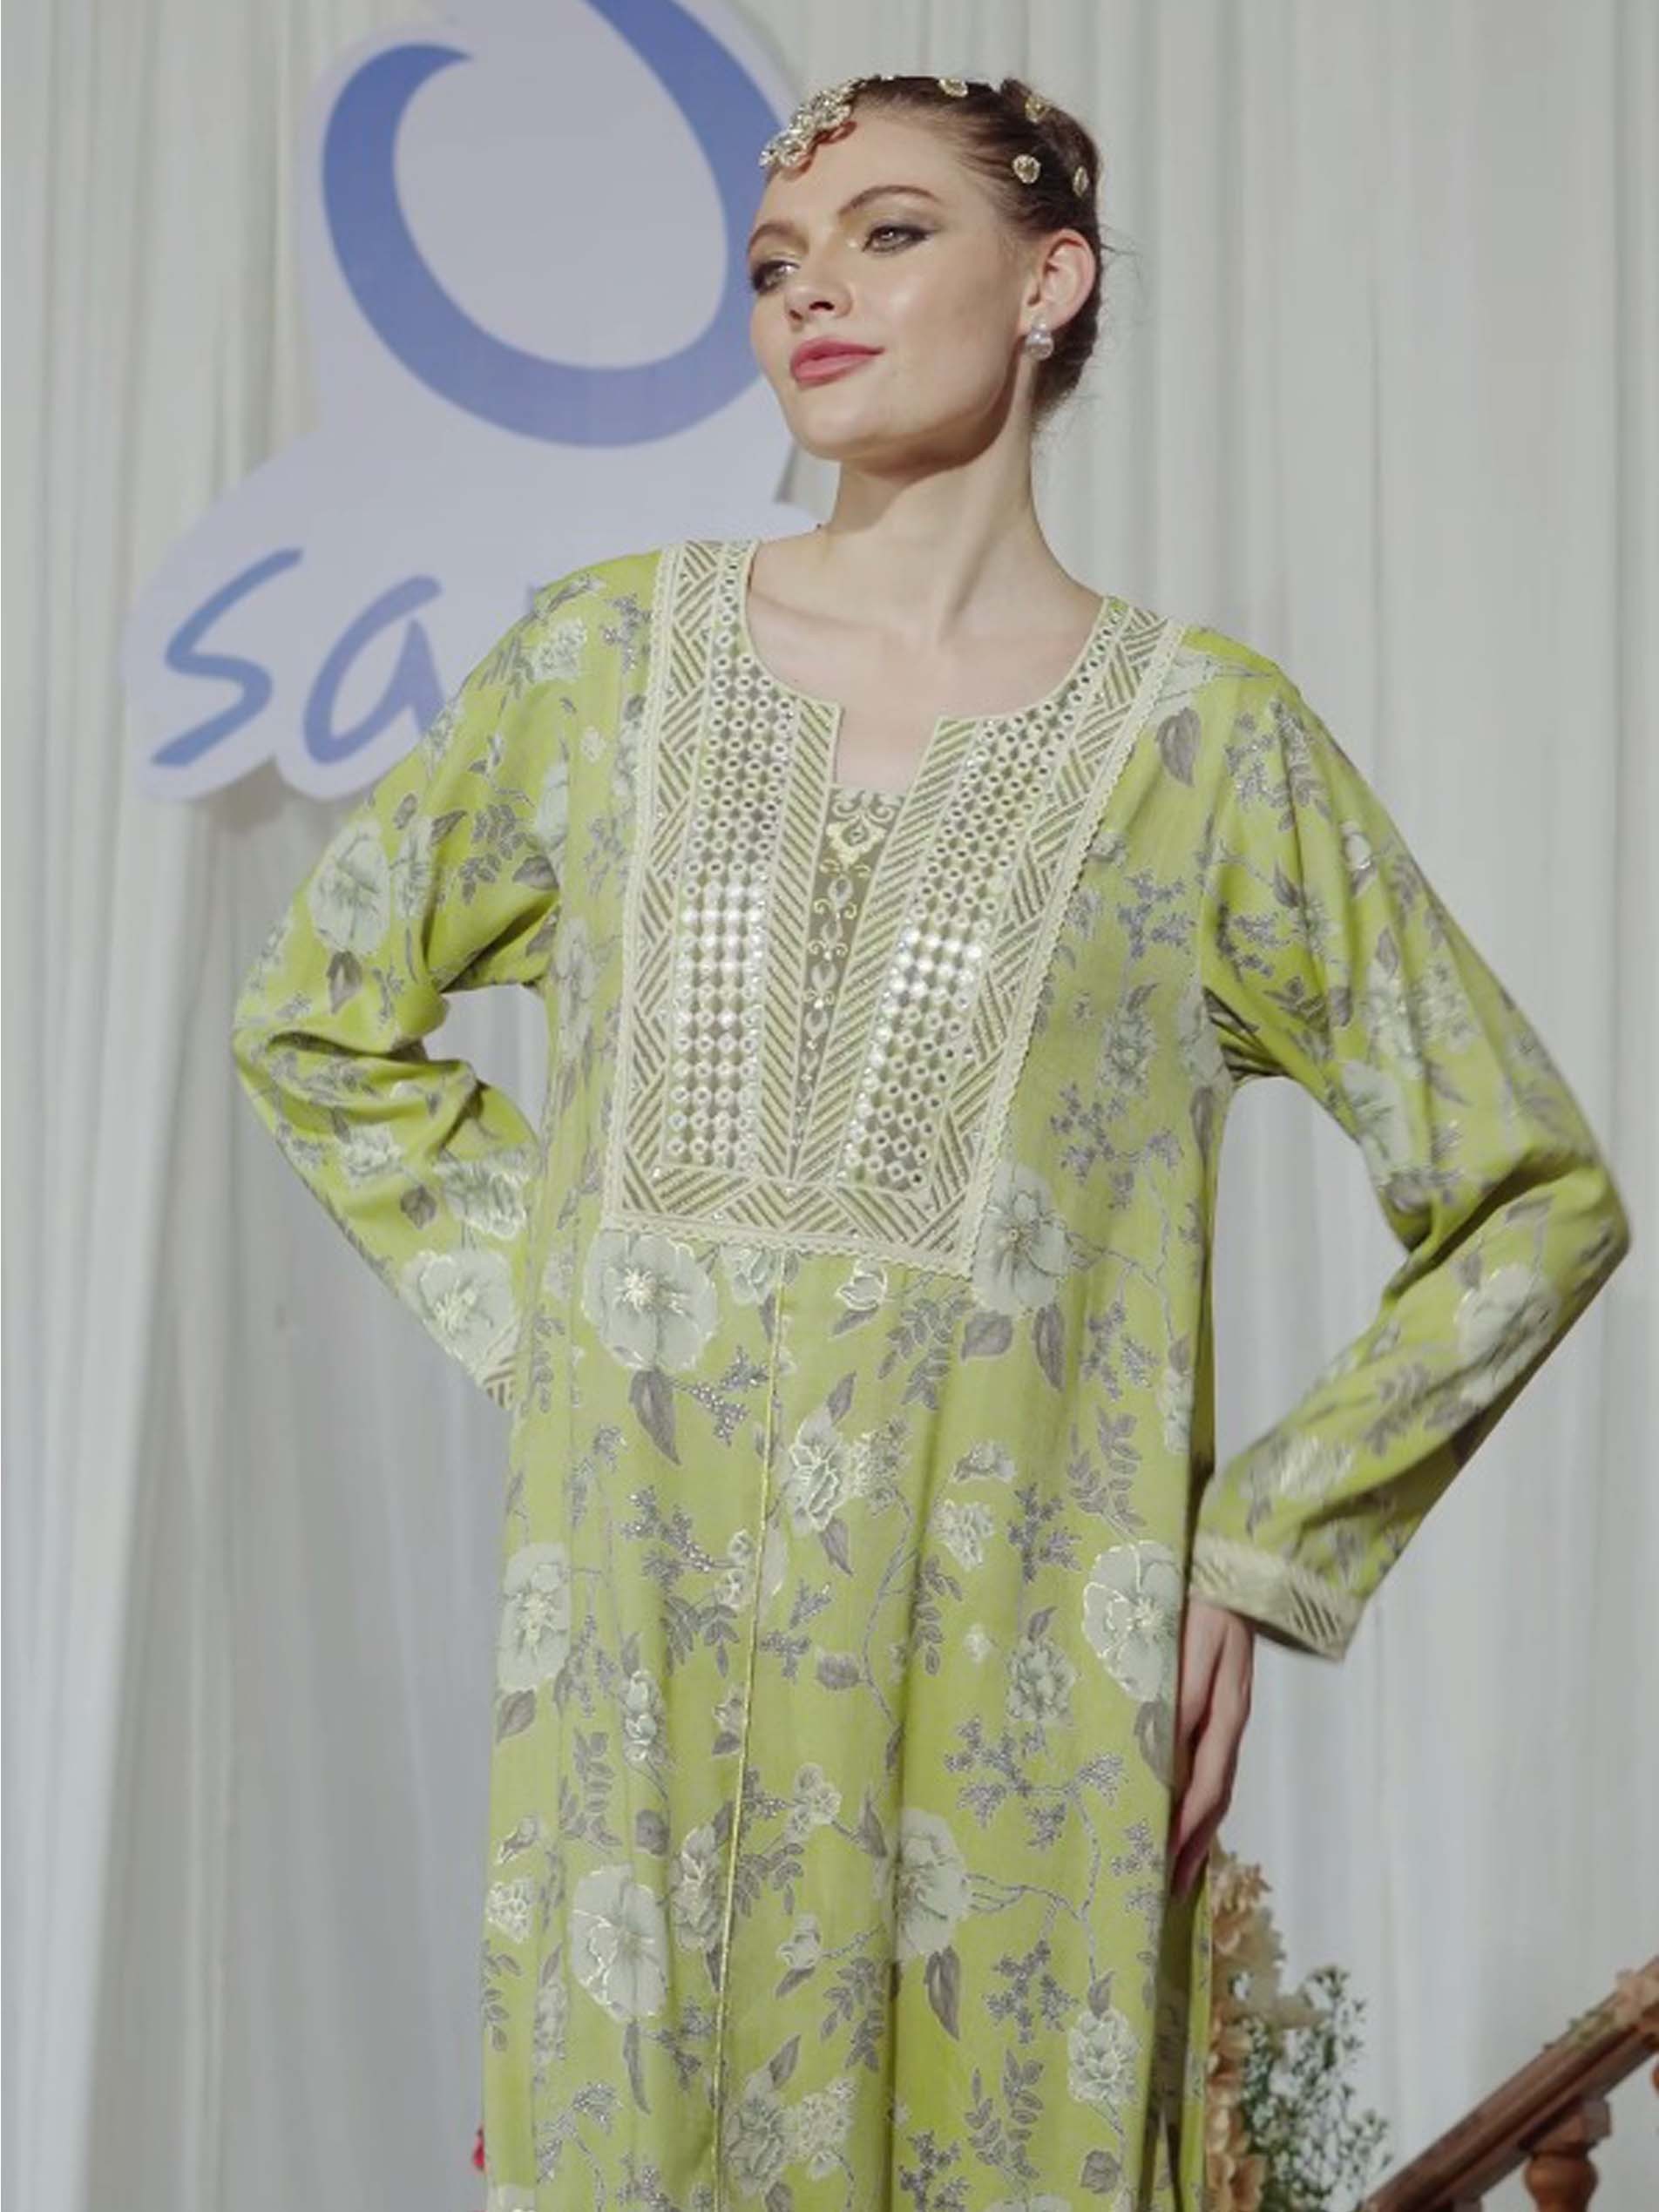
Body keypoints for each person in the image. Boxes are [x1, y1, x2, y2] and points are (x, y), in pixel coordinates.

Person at [229, 71, 1631, 2212]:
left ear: (1048, 282)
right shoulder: (605, 667)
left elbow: (1531, 1191)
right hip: (636, 1686)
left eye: (889, 235)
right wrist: (574, 1313)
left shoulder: (1203, 750)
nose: (811, 294)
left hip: (1017, 1684)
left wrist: (1258, 1548)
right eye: (774, 263)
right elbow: (316, 1018)